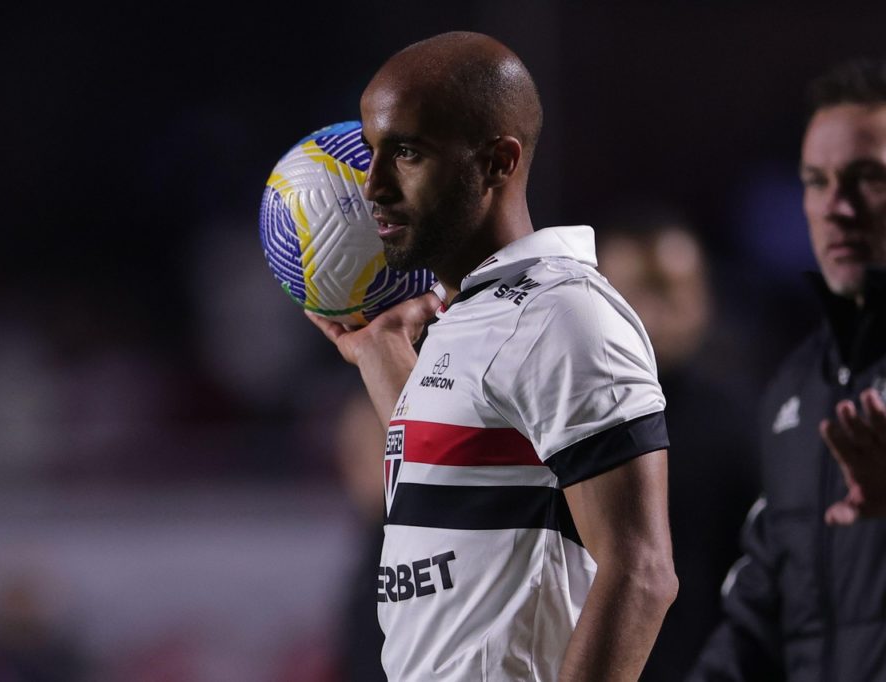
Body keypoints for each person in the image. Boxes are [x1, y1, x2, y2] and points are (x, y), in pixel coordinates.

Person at [307, 31, 677, 681]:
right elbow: (464, 478)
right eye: (370, 154)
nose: (373, 186)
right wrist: (380, 354)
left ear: (499, 162)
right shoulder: (469, 312)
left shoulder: (564, 313)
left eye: (407, 154)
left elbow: (642, 572)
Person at [690, 58, 886, 680]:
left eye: (867, 179)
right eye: (816, 181)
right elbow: (759, 614)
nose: (837, 206)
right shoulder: (794, 388)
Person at [596, 215, 761, 681]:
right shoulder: (543, 422)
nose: (649, 311)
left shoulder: (741, 428)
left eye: (669, 289)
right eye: (630, 292)